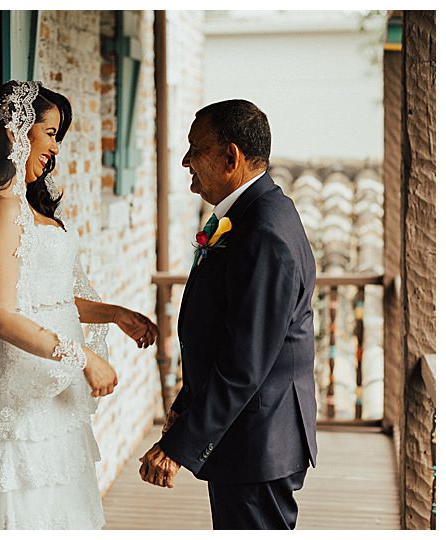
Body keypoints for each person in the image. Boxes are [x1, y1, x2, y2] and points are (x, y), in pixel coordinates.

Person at [0, 80, 158, 530]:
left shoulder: (24, 205)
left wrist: (114, 314)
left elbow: (48, 299)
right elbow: (2, 314)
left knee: (58, 505)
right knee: (23, 508)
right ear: (16, 132)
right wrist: (82, 357)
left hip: (52, 386)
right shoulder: (1, 211)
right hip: (18, 391)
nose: (55, 148)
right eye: (51, 132)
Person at [138, 99, 318, 530]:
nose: (186, 161)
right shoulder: (252, 213)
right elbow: (225, 331)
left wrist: (180, 445)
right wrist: (187, 403)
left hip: (259, 438)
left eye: (194, 149)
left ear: (231, 156)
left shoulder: (264, 231)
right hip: (245, 432)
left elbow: (246, 359)